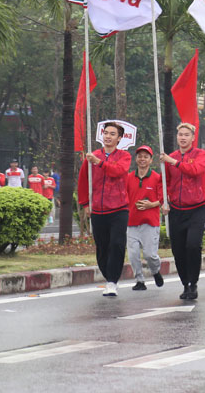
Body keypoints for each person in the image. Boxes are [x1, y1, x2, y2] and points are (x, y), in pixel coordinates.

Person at [77, 122, 131, 297]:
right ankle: (109, 276)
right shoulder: (92, 157)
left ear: (119, 138)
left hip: (119, 208)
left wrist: (99, 163)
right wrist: (86, 203)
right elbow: (83, 181)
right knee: (102, 247)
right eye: (106, 133)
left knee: (117, 244)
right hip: (98, 209)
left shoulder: (124, 156)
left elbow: (118, 172)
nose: (108, 136)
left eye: (112, 134)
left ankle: (112, 281)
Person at [161, 122, 205, 300]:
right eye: (180, 134)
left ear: (192, 137)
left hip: (197, 209)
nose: (182, 137)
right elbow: (164, 182)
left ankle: (193, 282)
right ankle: (185, 283)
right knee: (178, 249)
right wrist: (163, 201)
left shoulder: (200, 155)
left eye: (186, 134)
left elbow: (195, 170)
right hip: (176, 210)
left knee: (193, 245)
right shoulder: (170, 157)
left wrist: (174, 162)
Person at [126, 145, 164, 291]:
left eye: (145, 157)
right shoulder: (129, 177)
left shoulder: (157, 178)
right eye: (140, 156)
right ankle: (139, 280)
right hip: (132, 222)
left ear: (151, 160)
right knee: (134, 254)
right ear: (136, 159)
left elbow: (162, 199)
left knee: (149, 255)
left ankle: (155, 271)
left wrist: (151, 204)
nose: (142, 159)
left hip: (150, 222)